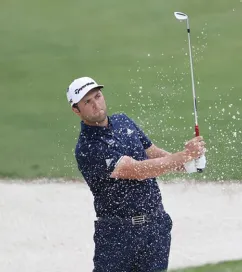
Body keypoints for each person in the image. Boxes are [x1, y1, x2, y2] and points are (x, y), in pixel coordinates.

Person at [66, 76, 206, 272]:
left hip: (155, 228)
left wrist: (188, 164)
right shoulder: (88, 148)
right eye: (87, 102)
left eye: (97, 96)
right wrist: (184, 155)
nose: (95, 104)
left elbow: (153, 153)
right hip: (117, 235)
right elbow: (138, 170)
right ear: (76, 110)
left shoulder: (123, 121)